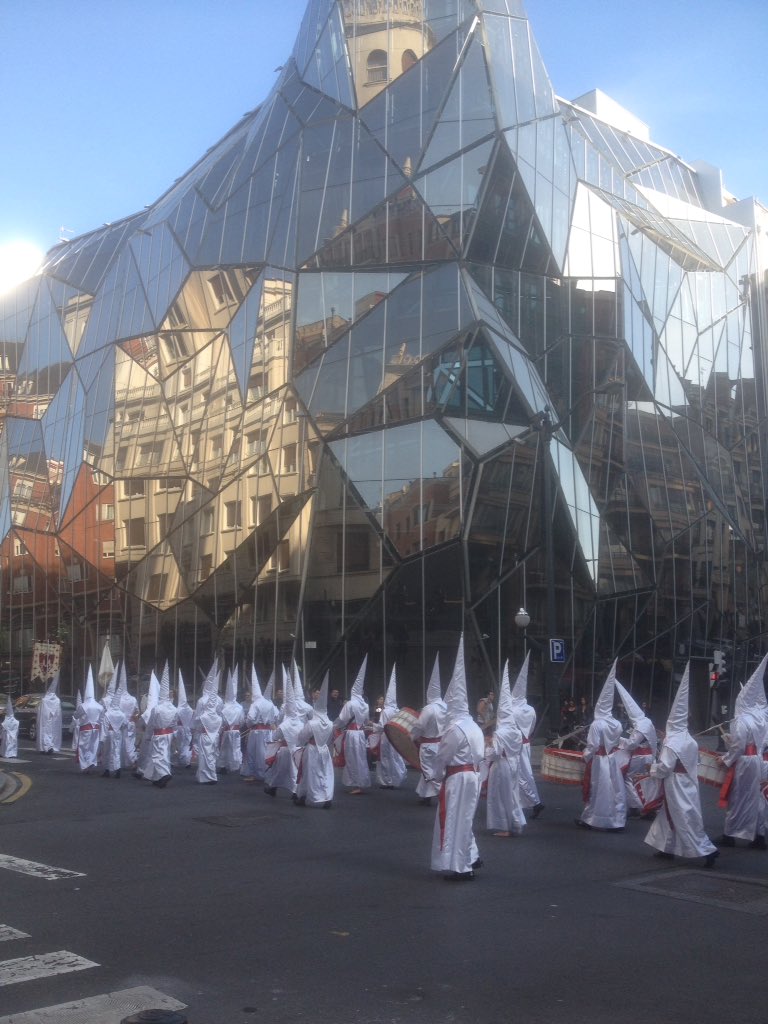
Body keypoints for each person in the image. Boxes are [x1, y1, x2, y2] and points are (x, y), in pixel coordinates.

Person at [644, 662, 718, 867]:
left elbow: (666, 766)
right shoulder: (690, 740)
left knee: (682, 817)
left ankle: (707, 850)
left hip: (675, 783)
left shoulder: (673, 742)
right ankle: (665, 847)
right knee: (670, 814)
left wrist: (651, 769)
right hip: (688, 782)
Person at [428, 635, 485, 880]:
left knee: (452, 820)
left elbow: (443, 758)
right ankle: (470, 854)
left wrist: (435, 775)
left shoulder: (454, 730)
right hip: (473, 775)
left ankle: (459, 866)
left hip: (457, 779)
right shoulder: (474, 726)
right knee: (464, 819)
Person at [717, 653, 768, 850]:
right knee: (754, 798)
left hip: (745, 761)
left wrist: (726, 760)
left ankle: (730, 834)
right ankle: (757, 835)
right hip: (756, 759)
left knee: (736, 797)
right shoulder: (758, 720)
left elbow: (738, 746)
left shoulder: (741, 720)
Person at [575, 661, 627, 831]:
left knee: (597, 789)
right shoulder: (617, 724)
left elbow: (593, 745)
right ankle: (616, 820)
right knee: (615, 789)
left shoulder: (597, 724)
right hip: (612, 758)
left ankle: (594, 819)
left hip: (599, 759)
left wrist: (585, 755)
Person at [486, 660, 526, 837]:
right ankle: (516, 821)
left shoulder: (500, 732)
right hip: (514, 762)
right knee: (512, 793)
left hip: (501, 764)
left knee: (501, 795)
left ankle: (504, 825)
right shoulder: (517, 731)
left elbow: (495, 753)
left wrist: (487, 749)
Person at [614, 680, 658, 817]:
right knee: (644, 779)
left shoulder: (640, 725)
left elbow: (632, 744)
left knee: (628, 777)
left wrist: (618, 740)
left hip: (640, 756)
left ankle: (637, 805)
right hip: (649, 754)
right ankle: (645, 804)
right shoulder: (647, 721)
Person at [509, 653, 544, 818]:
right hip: (526, 743)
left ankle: (535, 802)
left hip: (515, 745)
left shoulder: (512, 711)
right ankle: (521, 802)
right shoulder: (531, 709)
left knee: (520, 775)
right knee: (526, 773)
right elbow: (531, 727)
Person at [295, 671, 334, 809]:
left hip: (311, 749)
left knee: (309, 773)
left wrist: (300, 743)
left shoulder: (312, 723)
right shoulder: (329, 723)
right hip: (324, 749)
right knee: (325, 772)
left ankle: (311, 796)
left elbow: (302, 737)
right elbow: (330, 738)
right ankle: (326, 796)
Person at [411, 653, 446, 806]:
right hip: (442, 743)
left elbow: (419, 726)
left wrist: (411, 737)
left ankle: (443, 792)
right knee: (435, 769)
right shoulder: (445, 707)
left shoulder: (429, 709)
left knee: (428, 771)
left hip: (428, 745)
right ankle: (425, 796)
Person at [333, 655, 371, 794]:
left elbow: (342, 719)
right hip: (361, 733)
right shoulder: (365, 705)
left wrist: (333, 726)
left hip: (351, 734)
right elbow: (366, 722)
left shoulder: (350, 704)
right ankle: (360, 782)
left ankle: (357, 784)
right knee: (360, 757)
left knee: (352, 758)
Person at [264, 667, 302, 798]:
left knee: (281, 770)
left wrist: (276, 730)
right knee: (293, 770)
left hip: (285, 749)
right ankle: (277, 788)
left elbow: (275, 736)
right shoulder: (301, 723)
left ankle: (293, 791)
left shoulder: (285, 723)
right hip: (297, 749)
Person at [142, 662, 177, 788]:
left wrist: (147, 735)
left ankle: (164, 773)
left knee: (157, 755)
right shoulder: (173, 708)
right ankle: (156, 778)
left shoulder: (156, 709)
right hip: (168, 734)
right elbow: (174, 723)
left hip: (158, 734)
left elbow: (151, 723)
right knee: (164, 754)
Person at [241, 666, 278, 782]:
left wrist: (248, 725)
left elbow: (251, 718)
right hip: (268, 731)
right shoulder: (269, 703)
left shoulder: (255, 704)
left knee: (252, 752)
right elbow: (276, 715)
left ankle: (254, 773)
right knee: (265, 751)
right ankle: (266, 772)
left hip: (256, 731)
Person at [373, 666, 408, 789]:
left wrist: (374, 727)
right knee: (395, 756)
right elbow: (376, 716)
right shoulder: (394, 710)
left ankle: (387, 779)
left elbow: (379, 724)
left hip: (386, 735)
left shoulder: (385, 710)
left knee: (387, 757)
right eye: (380, 699)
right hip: (395, 735)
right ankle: (397, 776)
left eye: (383, 699)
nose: (382, 700)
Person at [74, 666, 102, 772]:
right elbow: (102, 718)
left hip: (86, 728)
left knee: (84, 747)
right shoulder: (99, 706)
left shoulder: (83, 705)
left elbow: (76, 715)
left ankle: (85, 764)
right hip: (96, 729)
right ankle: (91, 761)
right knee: (93, 747)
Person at [218, 666, 244, 774]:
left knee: (225, 748)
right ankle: (236, 765)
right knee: (235, 748)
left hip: (226, 730)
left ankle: (223, 765)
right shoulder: (240, 707)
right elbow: (242, 720)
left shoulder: (224, 706)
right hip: (236, 730)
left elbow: (221, 720)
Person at [194, 691, 222, 785]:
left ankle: (207, 776)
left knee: (204, 756)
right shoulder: (219, 718)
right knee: (211, 756)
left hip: (205, 736)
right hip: (215, 737)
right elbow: (220, 728)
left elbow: (197, 726)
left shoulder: (203, 716)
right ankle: (211, 774)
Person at [101, 678, 126, 779]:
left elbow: (104, 726)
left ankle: (107, 770)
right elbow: (125, 725)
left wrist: (102, 738)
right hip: (118, 732)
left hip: (110, 733)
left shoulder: (108, 713)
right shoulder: (121, 714)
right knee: (116, 750)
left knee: (107, 751)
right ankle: (117, 768)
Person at [117, 664, 139, 770]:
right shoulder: (133, 699)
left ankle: (133, 760)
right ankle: (127, 761)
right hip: (131, 723)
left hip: (122, 724)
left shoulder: (117, 700)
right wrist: (133, 718)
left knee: (125, 743)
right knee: (130, 741)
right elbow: (137, 712)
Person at [171, 670, 194, 768]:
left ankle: (184, 759)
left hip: (180, 728)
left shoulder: (177, 708)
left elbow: (174, 719)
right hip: (186, 728)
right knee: (185, 744)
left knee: (182, 745)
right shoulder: (188, 708)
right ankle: (186, 760)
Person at [36, 673, 62, 754]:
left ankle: (45, 747)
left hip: (45, 720)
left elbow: (41, 711)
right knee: (52, 732)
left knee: (45, 733)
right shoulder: (57, 700)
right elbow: (58, 712)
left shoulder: (44, 700)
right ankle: (51, 746)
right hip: (53, 720)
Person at [1, 695, 19, 759]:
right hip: (12, 734)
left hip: (7, 734)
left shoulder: (7, 719)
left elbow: (4, 726)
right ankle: (12, 753)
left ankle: (6, 753)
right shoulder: (14, 720)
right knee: (11, 743)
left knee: (7, 743)